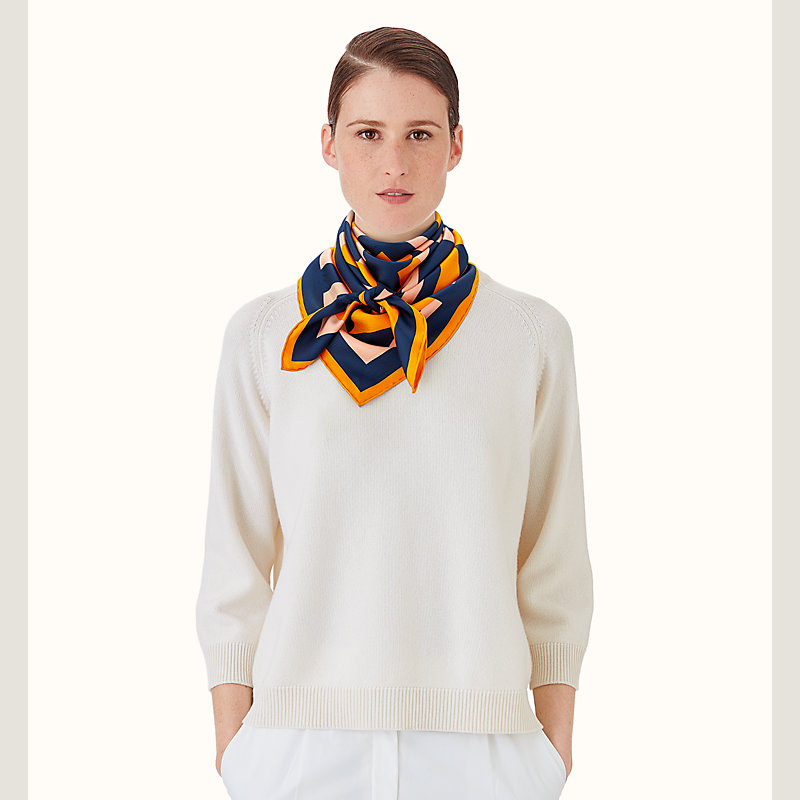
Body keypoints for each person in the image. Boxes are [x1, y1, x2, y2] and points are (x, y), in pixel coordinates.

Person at [195, 25, 594, 800]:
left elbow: (554, 552)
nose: (393, 163)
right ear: (328, 143)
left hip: (485, 750)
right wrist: (234, 746)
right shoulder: (263, 334)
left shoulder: (530, 335)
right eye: (368, 133)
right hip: (296, 748)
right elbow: (234, 551)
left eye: (420, 134)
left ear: (456, 145)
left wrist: (553, 746)